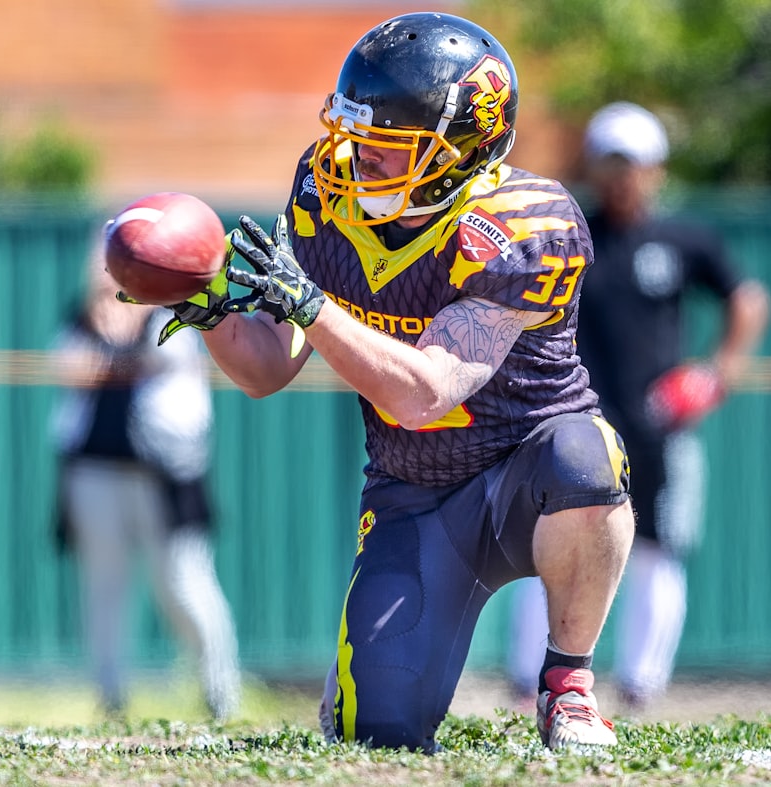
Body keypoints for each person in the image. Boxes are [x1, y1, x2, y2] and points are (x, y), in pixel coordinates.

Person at [142, 12, 635, 751]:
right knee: (378, 728)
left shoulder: (519, 222)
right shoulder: (324, 194)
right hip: (417, 489)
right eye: (353, 132)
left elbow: (424, 389)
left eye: (385, 144)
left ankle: (568, 683)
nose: (356, 156)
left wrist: (310, 302)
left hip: (528, 473)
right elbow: (267, 368)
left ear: (460, 150)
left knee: (588, 456)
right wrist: (206, 305)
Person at [507, 102, 771, 712]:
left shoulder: (683, 240)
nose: (622, 177)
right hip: (577, 426)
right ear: (595, 170)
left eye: (633, 164)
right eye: (610, 164)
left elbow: (748, 300)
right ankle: (530, 682)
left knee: (657, 547)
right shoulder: (574, 239)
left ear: (656, 169)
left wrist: (715, 374)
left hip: (659, 429)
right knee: (548, 545)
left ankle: (639, 686)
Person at [50, 236, 241, 722]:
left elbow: (167, 375)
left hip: (164, 476)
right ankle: (110, 698)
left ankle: (220, 691)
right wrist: (108, 346)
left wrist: (116, 358)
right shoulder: (79, 321)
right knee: (103, 586)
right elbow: (67, 371)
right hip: (94, 470)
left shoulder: (170, 317)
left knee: (182, 583)